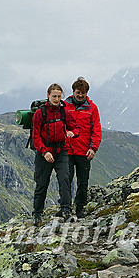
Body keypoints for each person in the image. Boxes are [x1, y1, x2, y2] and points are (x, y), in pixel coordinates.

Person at [32, 83, 78, 226]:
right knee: (41, 183)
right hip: (44, 153)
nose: (56, 99)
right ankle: (37, 214)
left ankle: (66, 209)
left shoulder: (64, 111)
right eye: (54, 96)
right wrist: (44, 151)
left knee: (65, 178)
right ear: (48, 95)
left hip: (61, 151)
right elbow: (35, 136)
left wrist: (73, 133)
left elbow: (75, 126)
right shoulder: (40, 113)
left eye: (59, 96)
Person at [64, 77, 102, 219]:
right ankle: (65, 207)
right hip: (66, 150)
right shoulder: (64, 105)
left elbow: (96, 129)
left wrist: (93, 148)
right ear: (73, 91)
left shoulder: (92, 108)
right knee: (65, 179)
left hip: (84, 150)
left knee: (82, 181)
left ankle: (80, 207)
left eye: (83, 93)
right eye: (78, 92)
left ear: (87, 93)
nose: (80, 95)